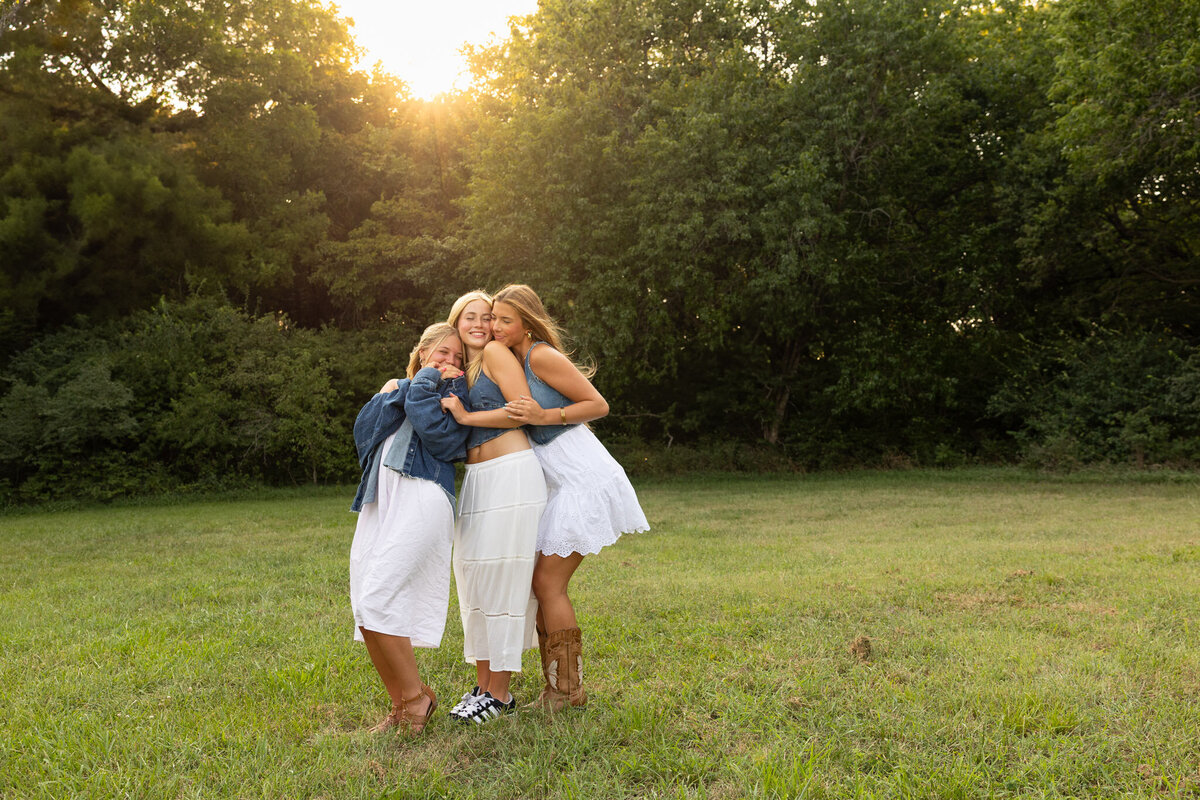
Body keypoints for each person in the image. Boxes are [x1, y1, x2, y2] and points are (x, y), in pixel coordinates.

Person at [490, 284, 649, 712]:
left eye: (506, 319)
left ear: (527, 321)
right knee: (540, 583)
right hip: (561, 484)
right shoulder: (512, 359)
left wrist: (545, 416)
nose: (497, 326)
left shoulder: (540, 355)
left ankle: (567, 692)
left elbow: (598, 404)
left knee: (547, 582)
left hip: (584, 479)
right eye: (494, 318)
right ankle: (558, 689)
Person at [349, 322, 469, 736]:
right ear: (420, 350)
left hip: (423, 494)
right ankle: (404, 704)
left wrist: (428, 380)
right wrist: (410, 384)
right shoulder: (402, 384)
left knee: (379, 595)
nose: (451, 362)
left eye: (458, 357)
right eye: (442, 353)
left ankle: (417, 700)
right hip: (381, 501)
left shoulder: (456, 393)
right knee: (365, 606)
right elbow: (364, 434)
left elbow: (444, 442)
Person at [439, 291, 546, 724]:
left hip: (511, 475)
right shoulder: (458, 367)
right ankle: (482, 686)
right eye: (471, 316)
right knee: (475, 578)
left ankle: (500, 694)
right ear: (456, 321)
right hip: (478, 482)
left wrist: (466, 418)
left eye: (488, 316)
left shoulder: (497, 353)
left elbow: (522, 411)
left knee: (503, 578)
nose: (481, 324)